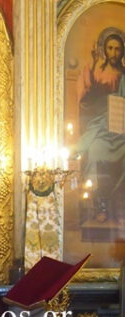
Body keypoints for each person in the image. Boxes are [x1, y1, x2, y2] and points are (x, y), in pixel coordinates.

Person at [75, 31, 125, 223]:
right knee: (95, 151)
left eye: (118, 49)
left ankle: (119, 206)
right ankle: (99, 202)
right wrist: (95, 64)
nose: (114, 53)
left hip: (121, 127)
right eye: (110, 48)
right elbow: (85, 100)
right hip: (100, 126)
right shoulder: (95, 71)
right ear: (104, 49)